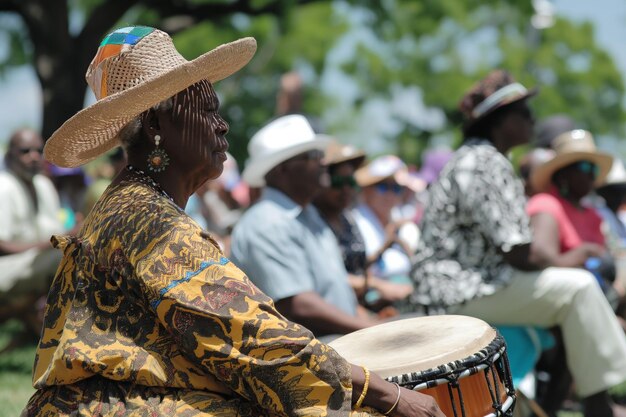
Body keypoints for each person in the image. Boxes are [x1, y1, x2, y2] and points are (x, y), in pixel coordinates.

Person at [23, 26, 442, 417]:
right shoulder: (147, 219)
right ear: (155, 125)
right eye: (206, 110)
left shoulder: (134, 203)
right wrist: (389, 395)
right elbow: (251, 337)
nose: (222, 125)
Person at [409, 69, 626, 417]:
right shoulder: (484, 162)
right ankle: (599, 406)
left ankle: (566, 406)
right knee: (579, 288)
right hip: (457, 290)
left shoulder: (479, 157)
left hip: (465, 285)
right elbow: (521, 253)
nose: (532, 119)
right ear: (499, 122)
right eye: (523, 113)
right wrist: (577, 256)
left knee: (571, 303)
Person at [230, 115, 381, 338]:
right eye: (313, 156)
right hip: (312, 363)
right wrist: (369, 330)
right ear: (282, 169)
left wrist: (368, 321)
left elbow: (332, 291)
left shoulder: (308, 215)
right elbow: (297, 305)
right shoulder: (266, 223)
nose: (323, 162)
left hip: (342, 348)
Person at [312, 141, 410, 313]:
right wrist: (379, 286)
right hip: (338, 313)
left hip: (364, 305)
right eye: (338, 182)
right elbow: (328, 277)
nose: (346, 189)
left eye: (350, 181)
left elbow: (360, 267)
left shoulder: (347, 219)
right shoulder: (313, 223)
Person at [0, 129, 65, 340]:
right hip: (7, 270)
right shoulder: (4, 187)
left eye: (39, 150)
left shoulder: (44, 185)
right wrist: (45, 246)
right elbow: (2, 245)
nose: (34, 156)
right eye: (25, 151)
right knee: (62, 257)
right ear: (10, 156)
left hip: (37, 265)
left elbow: (56, 235)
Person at [527, 129, 613, 284]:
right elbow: (540, 259)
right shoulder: (546, 204)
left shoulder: (593, 214)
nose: (591, 175)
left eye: (594, 168)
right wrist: (581, 255)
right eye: (585, 167)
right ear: (563, 175)